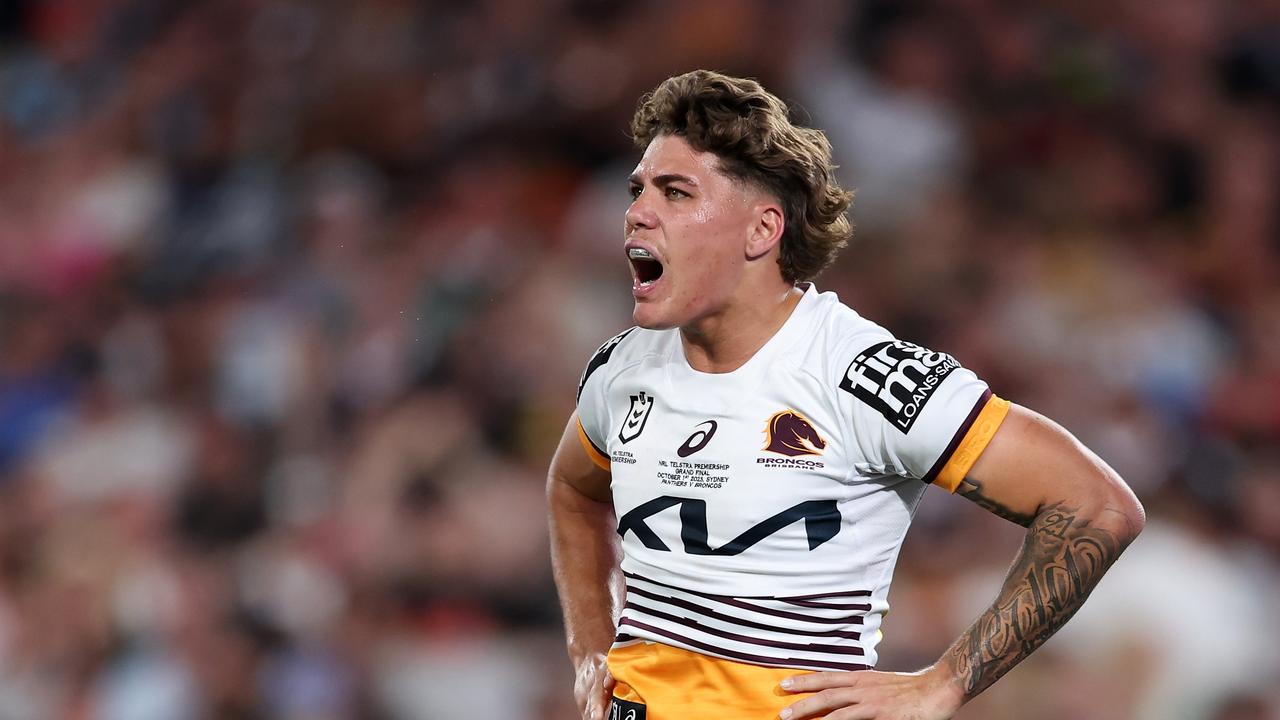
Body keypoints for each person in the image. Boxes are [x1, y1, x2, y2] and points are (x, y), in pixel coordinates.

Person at [547, 70, 1145, 720]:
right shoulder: (621, 369)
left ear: (761, 230)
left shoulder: (861, 376)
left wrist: (943, 683)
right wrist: (590, 651)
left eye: (676, 192)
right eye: (639, 190)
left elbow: (1097, 506)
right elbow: (573, 491)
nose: (637, 212)